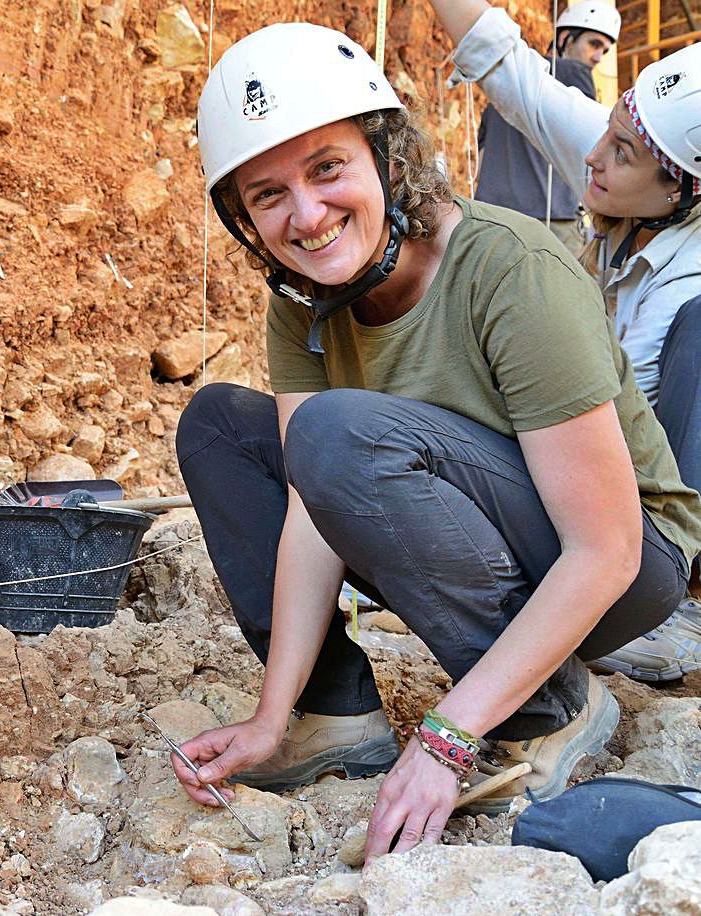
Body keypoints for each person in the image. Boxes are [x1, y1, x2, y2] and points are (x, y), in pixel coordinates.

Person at [171, 22, 701, 863]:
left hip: (624, 562)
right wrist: (273, 715)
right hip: (466, 520)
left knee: (338, 431)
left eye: (327, 168)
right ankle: (330, 714)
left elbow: (604, 548)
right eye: (266, 195)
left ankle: (549, 709)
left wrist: (446, 738)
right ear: (242, 219)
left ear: (384, 159)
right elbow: (312, 506)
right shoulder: (299, 303)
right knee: (221, 427)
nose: (306, 215)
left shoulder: (506, 266)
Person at [426, 0, 701, 682]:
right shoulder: (631, 150)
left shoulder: (685, 281)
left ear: (678, 193)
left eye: (620, 154)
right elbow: (509, 69)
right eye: (606, 135)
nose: (593, 157)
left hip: (645, 513)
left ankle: (687, 609)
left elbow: (609, 402)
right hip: (586, 484)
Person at [475, 1, 620, 255]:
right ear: (565, 38)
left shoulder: (504, 89)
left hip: (489, 221)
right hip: (551, 223)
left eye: (605, 51)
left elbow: (482, 155)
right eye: (594, 44)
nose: (598, 57)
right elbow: (593, 142)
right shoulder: (574, 72)